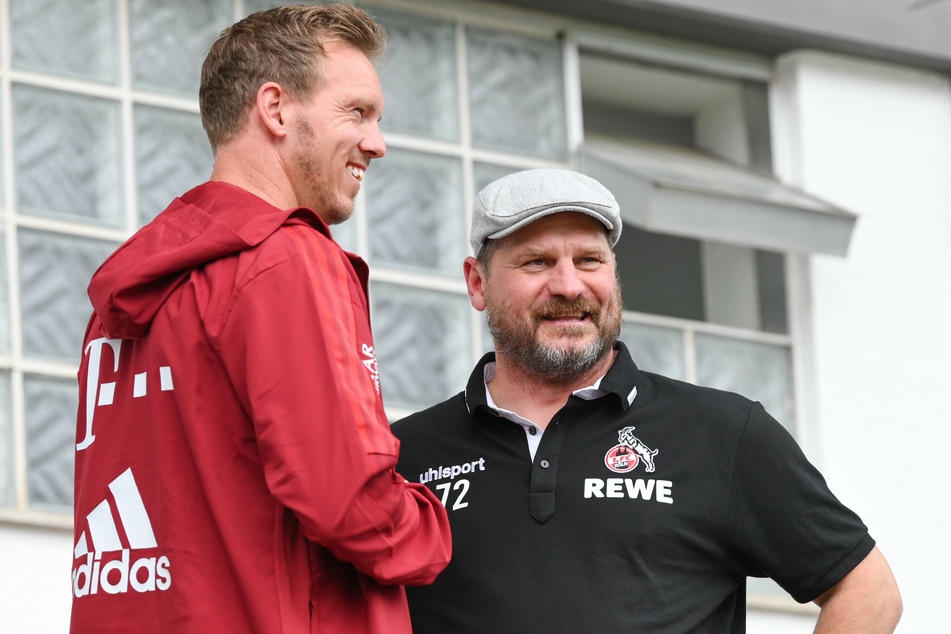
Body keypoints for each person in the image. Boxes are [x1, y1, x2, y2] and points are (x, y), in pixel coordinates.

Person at [70, 5, 451, 633]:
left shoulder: (126, 300)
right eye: (356, 112)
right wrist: (441, 528)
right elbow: (349, 503)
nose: (377, 144)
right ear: (275, 110)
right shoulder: (286, 258)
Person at [391, 168, 902, 633]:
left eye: (589, 260)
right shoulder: (402, 456)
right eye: (537, 262)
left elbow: (867, 590)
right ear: (477, 283)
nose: (569, 285)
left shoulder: (721, 432)